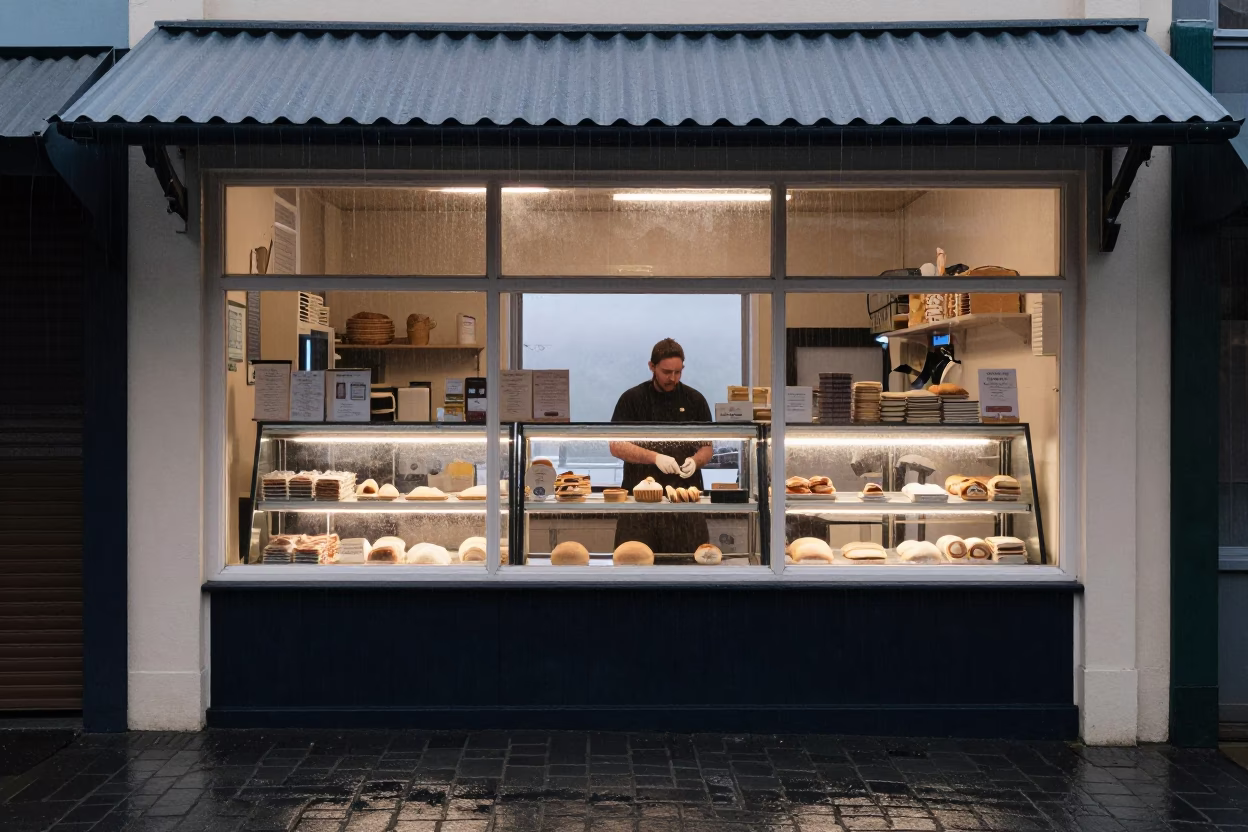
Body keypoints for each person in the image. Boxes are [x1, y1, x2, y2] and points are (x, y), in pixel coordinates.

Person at [609, 338, 713, 554]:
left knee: (688, 566)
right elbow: (616, 445)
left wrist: (696, 461)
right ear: (652, 366)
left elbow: (707, 447)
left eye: (678, 372)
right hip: (638, 506)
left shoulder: (695, 400)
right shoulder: (632, 399)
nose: (672, 378)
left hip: (685, 505)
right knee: (634, 565)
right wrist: (654, 457)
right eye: (666, 372)